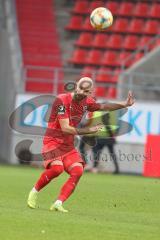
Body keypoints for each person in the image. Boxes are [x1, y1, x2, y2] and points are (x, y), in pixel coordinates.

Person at [27, 77, 134, 213]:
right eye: (81, 88)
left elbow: (104, 106)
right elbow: (65, 128)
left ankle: (58, 203)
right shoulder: (61, 100)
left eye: (87, 91)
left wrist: (124, 104)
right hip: (52, 142)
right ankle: (34, 191)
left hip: (68, 145)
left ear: (90, 93)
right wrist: (89, 130)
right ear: (76, 86)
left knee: (77, 170)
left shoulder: (87, 102)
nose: (83, 92)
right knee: (57, 169)